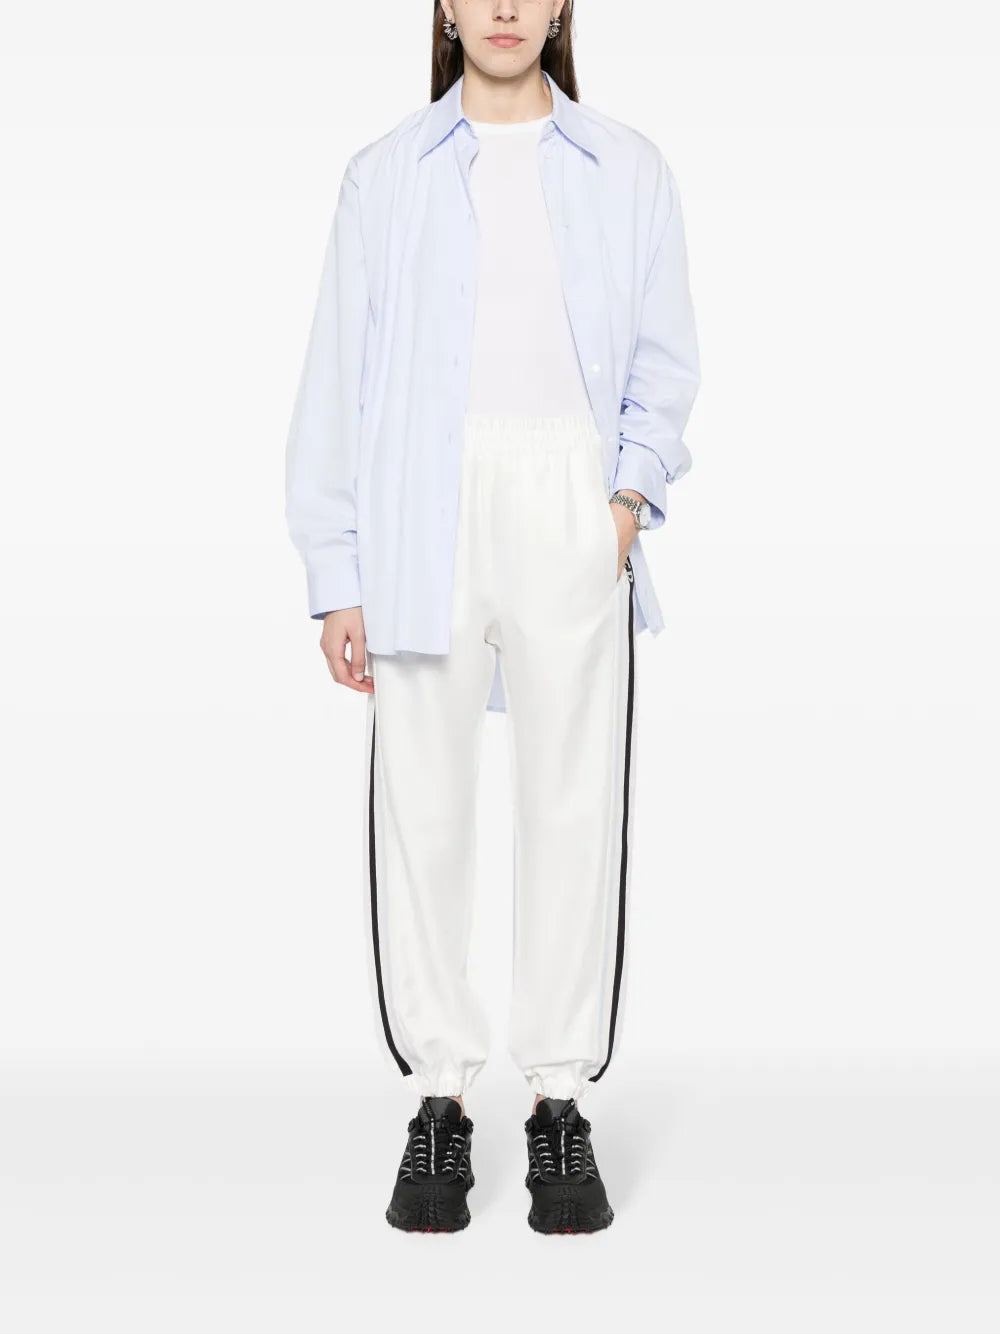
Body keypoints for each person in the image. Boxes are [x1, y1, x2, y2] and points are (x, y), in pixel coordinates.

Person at [284, 0, 700, 1234]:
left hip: (569, 497)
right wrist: (337, 568)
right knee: (423, 803)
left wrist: (622, 502)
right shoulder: (384, 176)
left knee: (572, 796)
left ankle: (558, 1095)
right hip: (424, 505)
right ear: (446, 6)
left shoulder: (628, 167)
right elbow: (336, 375)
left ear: (562, 3)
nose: (506, 6)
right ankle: (439, 1095)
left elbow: (665, 359)